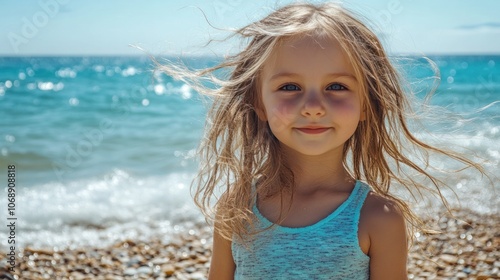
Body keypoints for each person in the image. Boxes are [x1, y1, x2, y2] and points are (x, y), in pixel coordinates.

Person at [159, 2, 484, 279]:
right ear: (258, 102)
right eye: (289, 87)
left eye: (337, 87)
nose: (313, 107)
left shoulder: (378, 218)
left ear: (366, 104)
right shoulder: (238, 207)